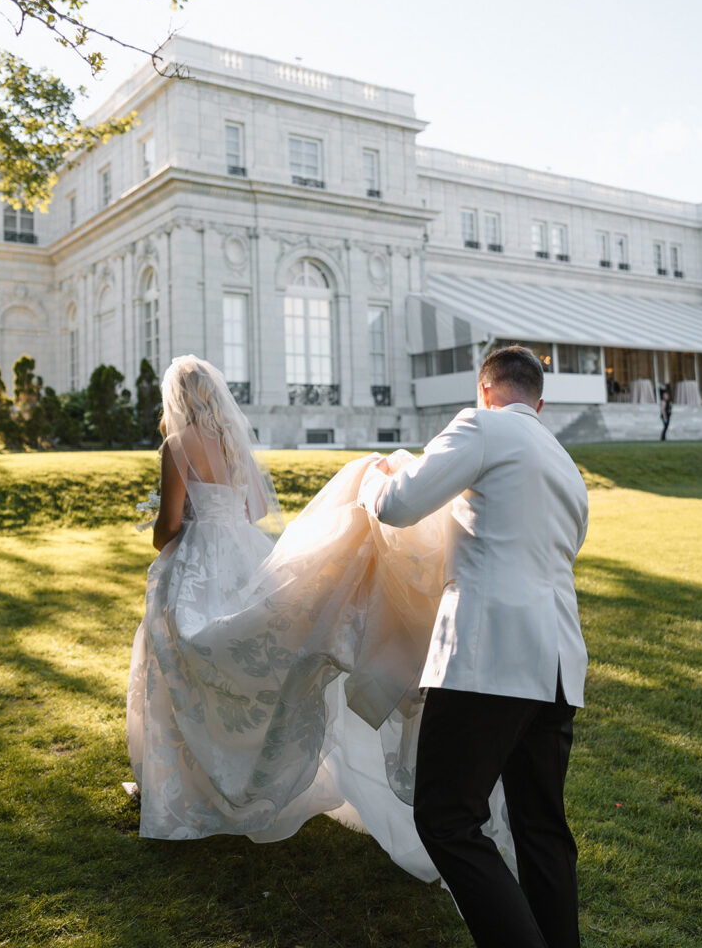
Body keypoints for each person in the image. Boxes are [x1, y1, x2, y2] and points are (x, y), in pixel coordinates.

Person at [126, 354, 512, 880]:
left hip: (195, 559)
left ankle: (182, 785)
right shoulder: (235, 443)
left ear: (177, 400)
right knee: (242, 654)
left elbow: (169, 526)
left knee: (173, 655)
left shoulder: (177, 446)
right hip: (242, 553)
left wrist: (167, 524)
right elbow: (256, 511)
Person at [358, 345, 589, 948]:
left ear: (482, 391)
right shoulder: (566, 465)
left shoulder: (479, 425)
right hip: (560, 660)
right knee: (542, 827)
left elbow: (399, 505)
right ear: (539, 403)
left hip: (488, 656)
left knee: (447, 817)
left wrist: (369, 483)